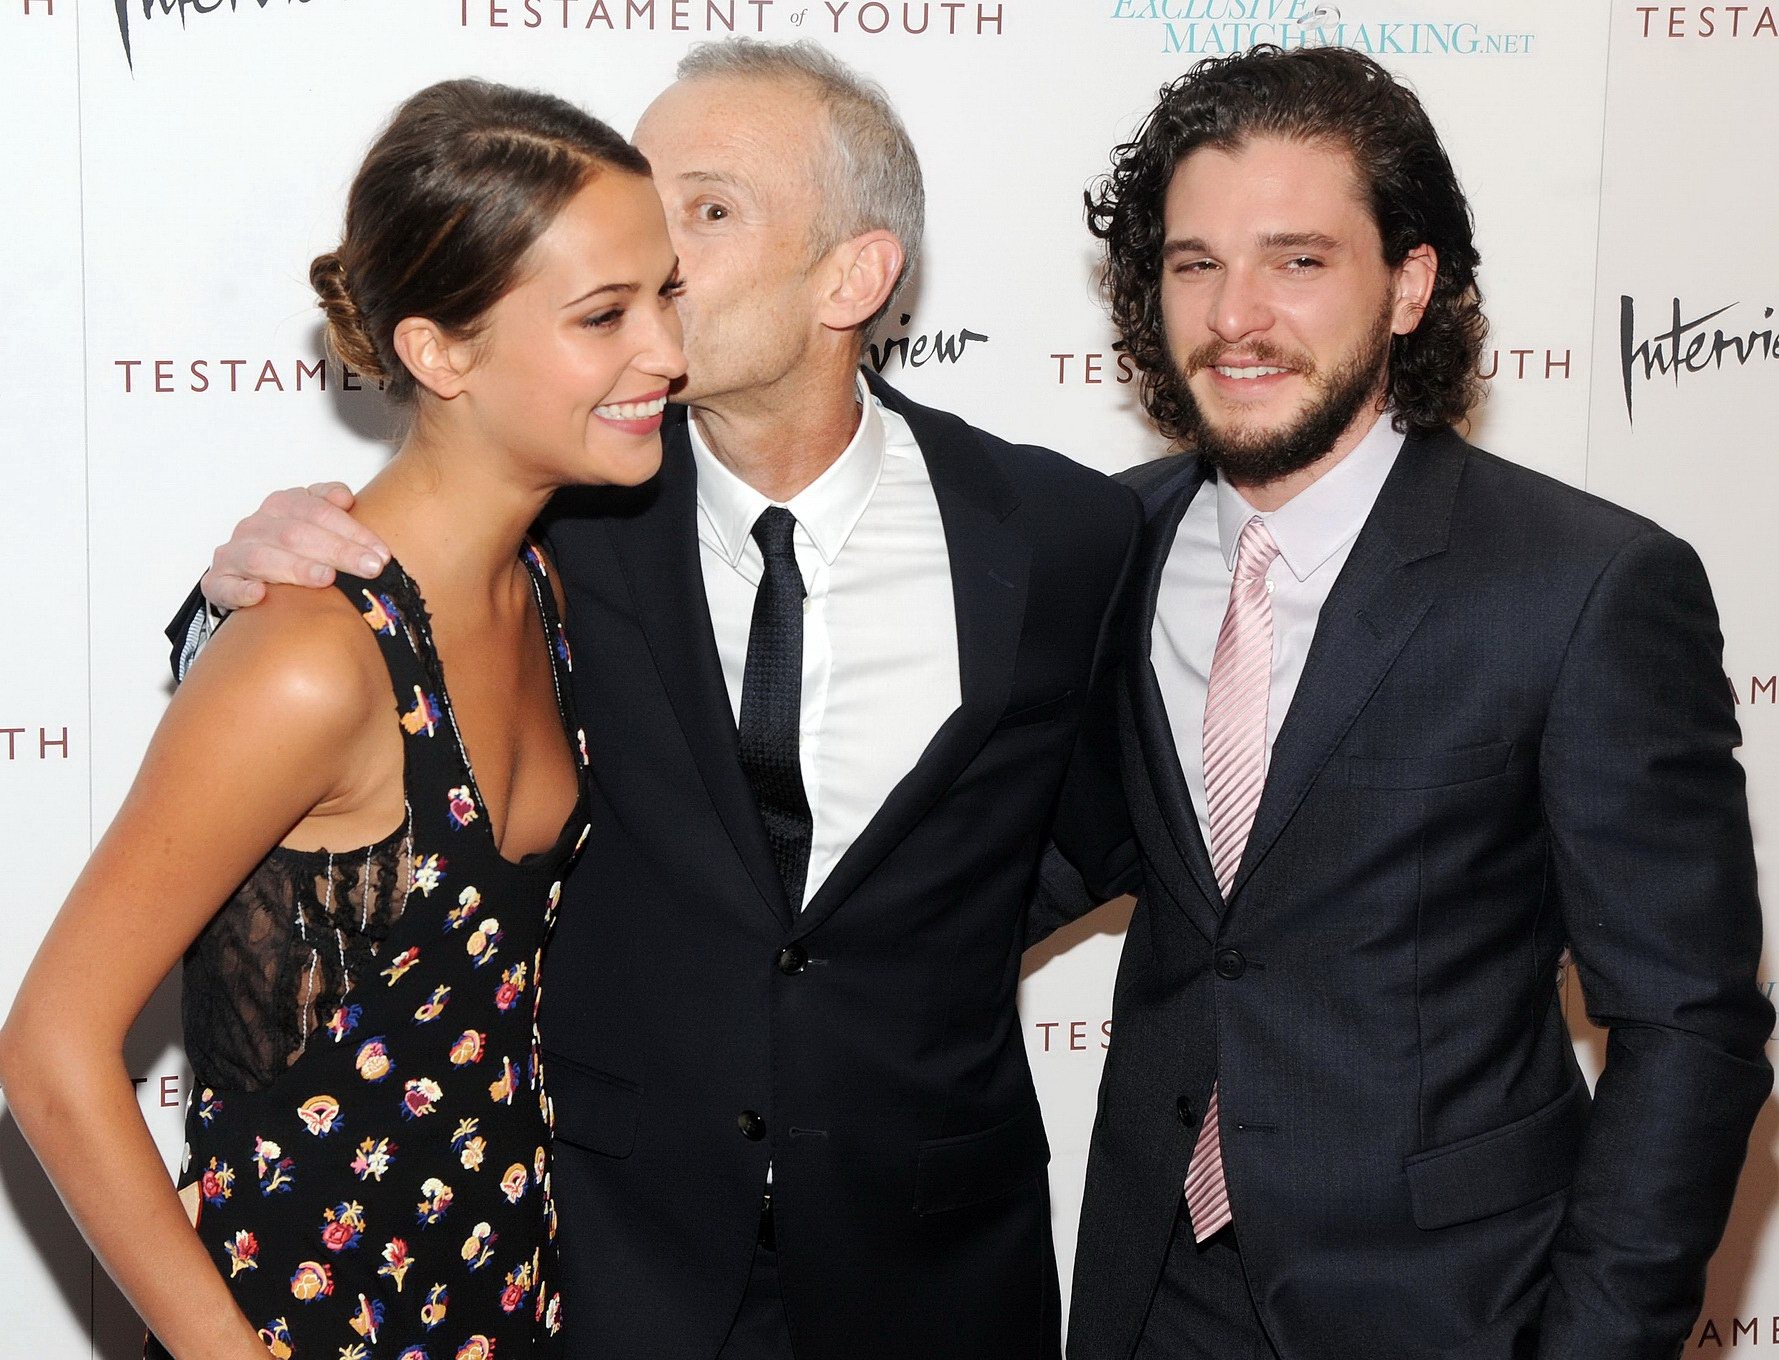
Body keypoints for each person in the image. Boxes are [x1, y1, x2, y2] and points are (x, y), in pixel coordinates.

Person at [163, 39, 1139, 1360]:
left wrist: (904, 963)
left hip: (934, 1266)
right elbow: (325, 693)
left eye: (710, 209)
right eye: (639, 198)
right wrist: (246, 574)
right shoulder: (545, 522)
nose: (649, 245)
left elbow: (1093, 828)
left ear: (854, 274)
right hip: (603, 1260)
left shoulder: (1056, 535)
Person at [1033, 44, 1773, 1360]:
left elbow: (1687, 1026)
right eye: (1193, 263)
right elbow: (1032, 852)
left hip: (1448, 1307)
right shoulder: (1106, 546)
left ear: (1408, 284)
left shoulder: (1581, 586)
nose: (1232, 316)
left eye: (1296, 260)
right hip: (1147, 1294)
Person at [0, 79, 685, 1360]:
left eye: (667, 296)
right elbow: (51, 1045)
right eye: (606, 314)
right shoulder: (315, 659)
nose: (667, 350)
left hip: (501, 1311)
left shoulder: (543, 578)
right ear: (439, 352)